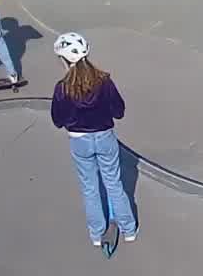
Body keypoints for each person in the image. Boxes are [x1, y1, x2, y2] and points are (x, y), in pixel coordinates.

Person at [48, 32, 137, 256]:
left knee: (90, 187)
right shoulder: (104, 81)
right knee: (114, 183)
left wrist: (72, 120)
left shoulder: (62, 88)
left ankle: (97, 234)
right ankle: (129, 229)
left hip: (80, 141)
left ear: (64, 60)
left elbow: (57, 120)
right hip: (105, 137)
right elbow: (119, 111)